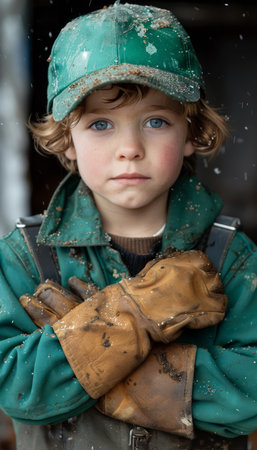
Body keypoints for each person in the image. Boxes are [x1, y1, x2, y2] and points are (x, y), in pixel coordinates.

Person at [0, 3, 257, 449]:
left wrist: (89, 355)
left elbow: (250, 396)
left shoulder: (232, 259)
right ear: (67, 140)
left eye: (155, 122)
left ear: (192, 133)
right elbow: (16, 388)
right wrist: (136, 314)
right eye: (101, 124)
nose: (130, 148)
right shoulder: (25, 255)